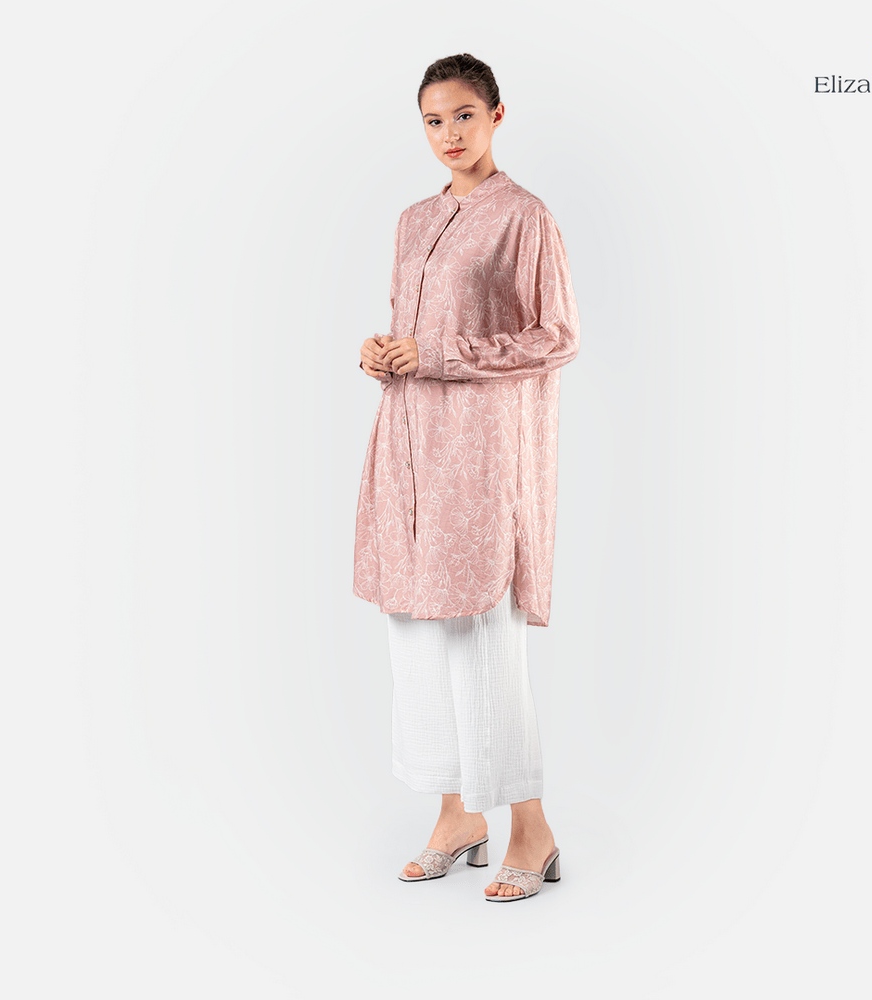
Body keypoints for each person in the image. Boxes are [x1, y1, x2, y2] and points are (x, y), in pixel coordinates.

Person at [354, 53, 579, 901]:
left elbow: (557, 335)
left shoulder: (524, 216)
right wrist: (384, 352)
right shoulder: (414, 219)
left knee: (484, 636)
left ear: (496, 116)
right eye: (433, 121)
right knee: (417, 633)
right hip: (409, 447)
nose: (448, 134)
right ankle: (456, 816)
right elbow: (416, 332)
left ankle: (532, 828)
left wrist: (439, 354)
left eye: (463, 116)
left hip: (482, 456)